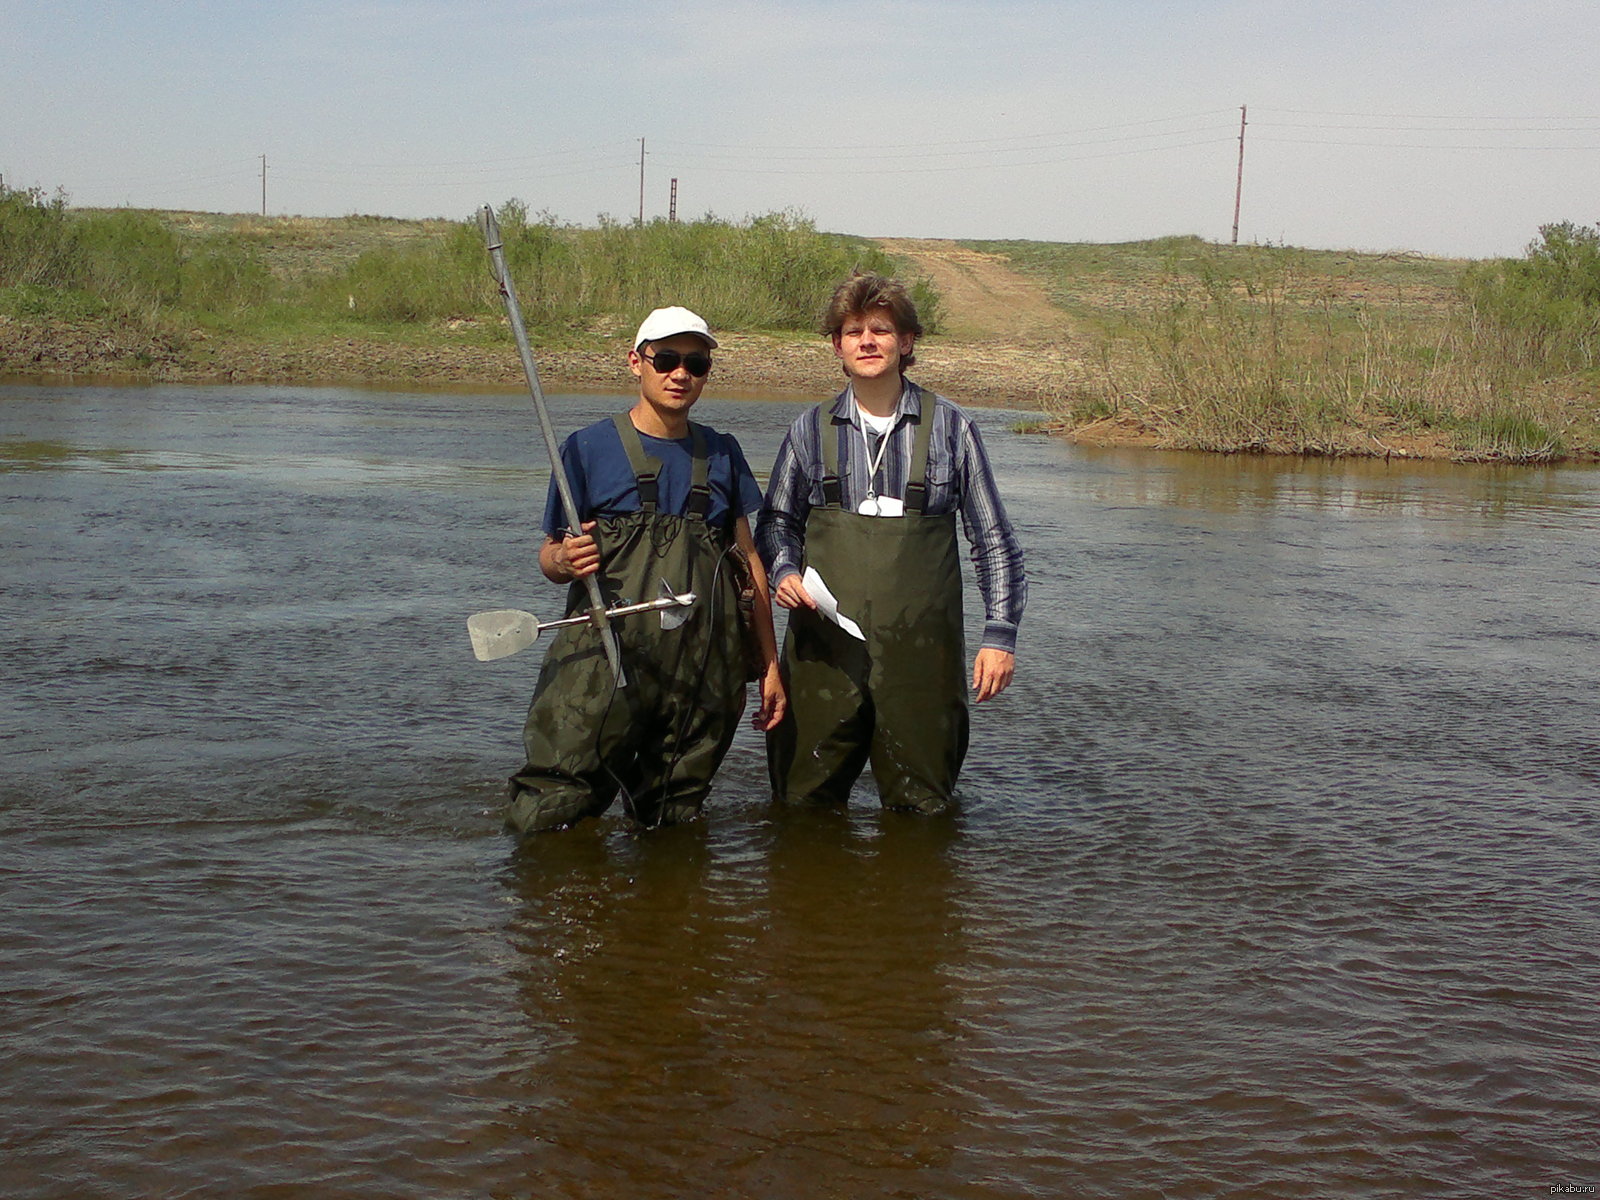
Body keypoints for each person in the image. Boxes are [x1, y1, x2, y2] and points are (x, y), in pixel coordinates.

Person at [505, 306, 785, 833]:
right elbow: (550, 555)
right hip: (604, 662)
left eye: (696, 363)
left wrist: (770, 665)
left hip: (703, 669)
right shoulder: (586, 449)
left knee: (672, 823)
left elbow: (750, 565)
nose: (681, 374)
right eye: (667, 359)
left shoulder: (724, 453)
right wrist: (565, 560)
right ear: (636, 362)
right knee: (553, 810)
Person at [757, 271, 1024, 813]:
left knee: (923, 812)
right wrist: (784, 571)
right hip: (823, 653)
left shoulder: (954, 429)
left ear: (906, 343)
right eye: (853, 331)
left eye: (880, 329)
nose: (867, 341)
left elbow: (993, 540)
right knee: (802, 807)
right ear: (837, 345)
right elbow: (775, 523)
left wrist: (1001, 636)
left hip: (922, 655)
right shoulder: (808, 431)